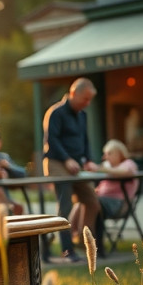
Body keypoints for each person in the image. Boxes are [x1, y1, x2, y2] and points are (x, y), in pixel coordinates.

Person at [42, 77, 101, 263]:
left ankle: (87, 245)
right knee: (65, 205)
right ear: (73, 93)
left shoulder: (82, 115)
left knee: (92, 202)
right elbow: (52, 141)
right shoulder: (56, 113)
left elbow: (85, 140)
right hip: (57, 162)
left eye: (90, 99)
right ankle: (67, 250)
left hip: (76, 165)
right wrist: (66, 159)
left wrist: (89, 160)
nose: (87, 103)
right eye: (85, 99)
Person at [70, 139, 139, 238]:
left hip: (118, 204)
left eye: (109, 153)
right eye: (105, 154)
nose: (105, 157)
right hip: (103, 201)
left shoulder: (128, 163)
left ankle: (77, 236)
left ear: (119, 153)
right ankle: (74, 235)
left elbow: (126, 172)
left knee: (90, 203)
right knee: (82, 201)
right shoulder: (108, 166)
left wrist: (101, 169)